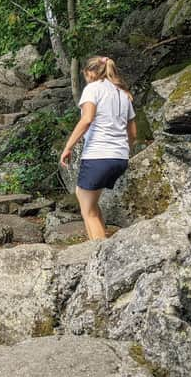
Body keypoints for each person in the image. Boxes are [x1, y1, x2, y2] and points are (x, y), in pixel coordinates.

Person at [59, 55, 136, 241]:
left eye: (85, 75)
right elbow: (133, 134)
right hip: (119, 157)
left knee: (88, 210)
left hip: (98, 155)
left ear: (91, 73)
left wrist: (68, 147)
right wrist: (123, 150)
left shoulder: (93, 89)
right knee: (91, 204)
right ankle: (103, 247)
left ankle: (100, 257)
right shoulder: (123, 94)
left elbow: (87, 119)